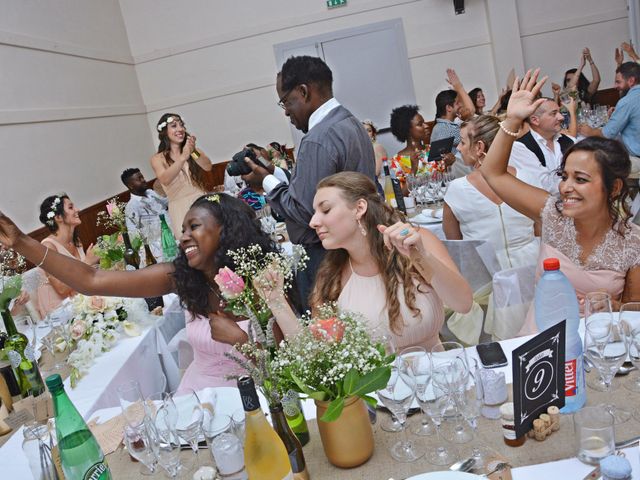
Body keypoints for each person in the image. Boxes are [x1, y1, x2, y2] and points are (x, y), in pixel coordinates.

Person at [0, 194, 279, 390]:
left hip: (260, 395)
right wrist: (22, 242)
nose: (183, 237)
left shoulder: (265, 281)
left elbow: (285, 369)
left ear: (226, 231)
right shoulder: (180, 278)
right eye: (183, 229)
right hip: (198, 398)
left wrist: (240, 341)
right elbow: (91, 279)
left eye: (194, 227)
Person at [479, 69, 640, 336]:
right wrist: (512, 120)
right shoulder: (552, 215)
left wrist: (617, 306)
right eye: (564, 176)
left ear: (614, 188)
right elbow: (492, 173)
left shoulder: (632, 242)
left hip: (601, 344)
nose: (566, 187)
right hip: (542, 342)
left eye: (581, 179)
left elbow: (635, 307)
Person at [255, 172, 472, 351]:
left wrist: (420, 255)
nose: (313, 222)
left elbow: (463, 304)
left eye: (326, 209)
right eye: (315, 212)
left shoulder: (418, 241)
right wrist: (276, 300)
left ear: (359, 208)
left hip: (440, 383)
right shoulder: (331, 277)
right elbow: (316, 355)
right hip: (379, 399)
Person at [244, 55, 376, 311]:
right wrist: (277, 175)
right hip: (357, 244)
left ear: (303, 92)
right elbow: (322, 190)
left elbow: (307, 212)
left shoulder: (318, 138)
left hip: (326, 256)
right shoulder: (351, 123)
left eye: (286, 101)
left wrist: (266, 182)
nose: (285, 111)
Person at [443, 115, 539, 270]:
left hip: (486, 275)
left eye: (462, 142)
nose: (459, 148)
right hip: (532, 267)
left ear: (479, 147)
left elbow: (457, 247)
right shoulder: (527, 177)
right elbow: (539, 232)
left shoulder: (457, 190)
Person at [150, 113, 213, 237]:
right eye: (174, 126)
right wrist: (183, 157)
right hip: (180, 208)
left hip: (201, 202)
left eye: (182, 125)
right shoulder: (157, 159)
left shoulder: (193, 152)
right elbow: (165, 179)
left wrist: (193, 151)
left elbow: (207, 166)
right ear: (164, 133)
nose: (180, 129)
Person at [36, 195, 99, 317]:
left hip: (80, 299)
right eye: (71, 207)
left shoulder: (76, 241)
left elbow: (83, 276)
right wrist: (87, 263)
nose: (78, 209)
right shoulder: (48, 247)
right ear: (58, 217)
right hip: (59, 311)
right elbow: (62, 289)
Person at [578, 62, 640, 171]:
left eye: (618, 82)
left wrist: (589, 131)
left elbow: (607, 135)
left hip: (636, 157)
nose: (615, 86)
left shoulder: (627, 101)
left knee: (597, 163)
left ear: (631, 81)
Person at [508, 97, 575, 193]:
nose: (561, 117)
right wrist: (577, 183)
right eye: (554, 113)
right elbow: (543, 185)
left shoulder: (570, 141)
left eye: (559, 112)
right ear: (535, 120)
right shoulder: (520, 147)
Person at [121, 168, 169, 261]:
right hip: (159, 244)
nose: (143, 180)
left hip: (171, 230)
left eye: (142, 177)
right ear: (130, 185)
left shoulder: (150, 193)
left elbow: (165, 203)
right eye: (139, 179)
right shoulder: (132, 206)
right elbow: (134, 234)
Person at [389, 105, 439, 178]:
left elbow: (444, 179)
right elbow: (402, 189)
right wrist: (413, 169)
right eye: (420, 124)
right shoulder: (397, 161)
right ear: (407, 130)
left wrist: (447, 164)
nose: (426, 126)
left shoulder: (433, 149)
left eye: (424, 122)